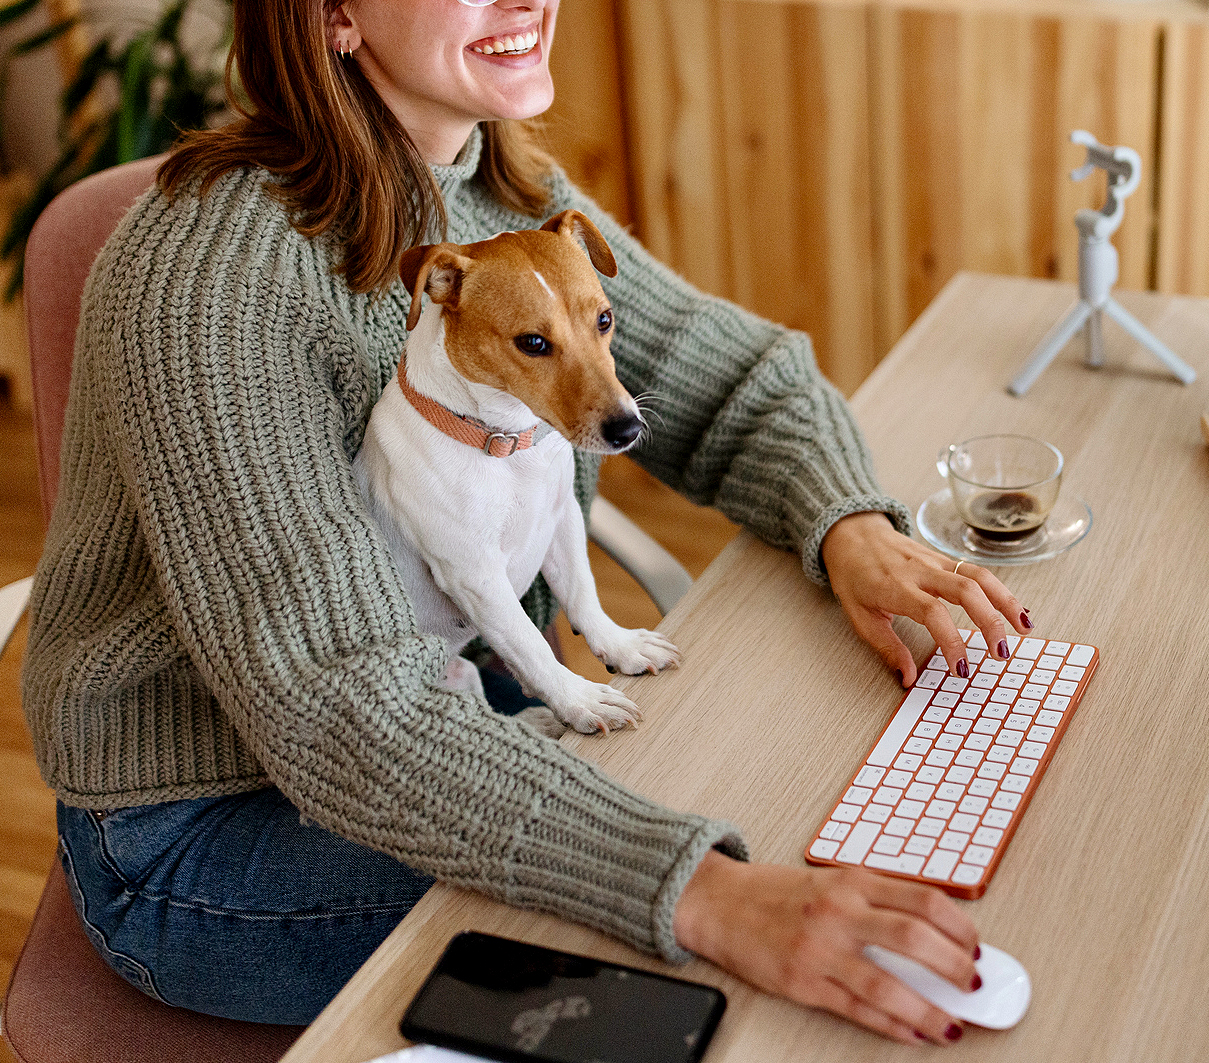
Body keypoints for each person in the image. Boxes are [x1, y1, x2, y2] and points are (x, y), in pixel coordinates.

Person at [21, 0, 1034, 1045]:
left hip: (468, 704)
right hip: (211, 824)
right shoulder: (210, 282)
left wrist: (850, 531)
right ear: (333, 16)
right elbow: (342, 702)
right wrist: (702, 894)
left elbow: (739, 380)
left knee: (797, 822)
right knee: (701, 955)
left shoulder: (503, 198)